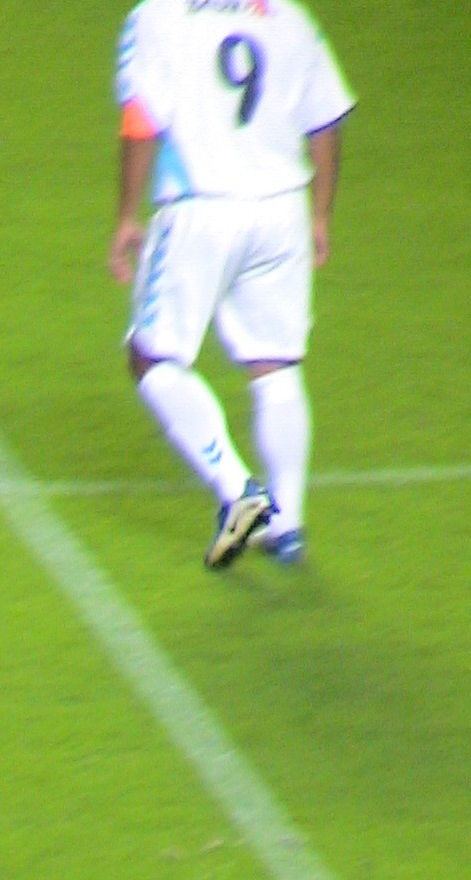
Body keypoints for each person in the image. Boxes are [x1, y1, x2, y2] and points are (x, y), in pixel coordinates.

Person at [108, 0, 355, 568]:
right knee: (276, 366)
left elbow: (141, 120)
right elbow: (326, 118)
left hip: (201, 207)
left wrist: (126, 216)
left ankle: (237, 488)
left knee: (151, 357)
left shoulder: (158, 15)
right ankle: (288, 527)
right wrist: (320, 215)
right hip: (283, 211)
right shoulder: (289, 15)